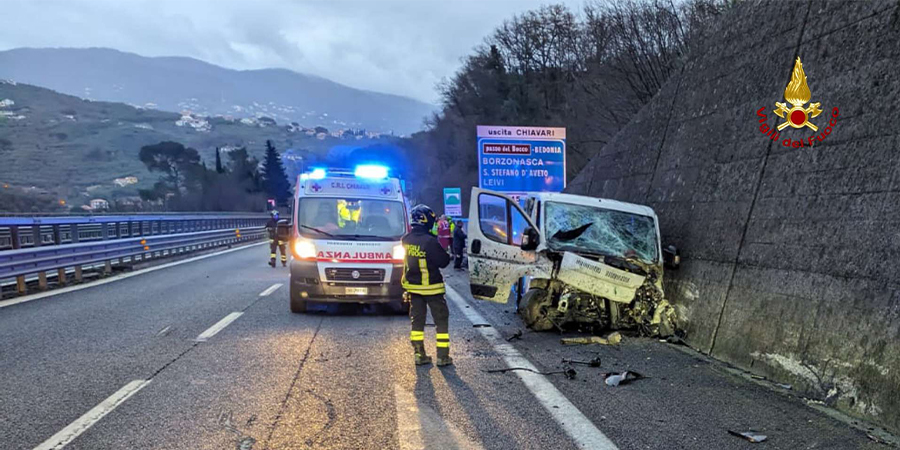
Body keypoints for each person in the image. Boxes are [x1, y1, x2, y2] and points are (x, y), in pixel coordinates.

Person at [402, 204, 452, 366]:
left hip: (414, 289)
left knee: (417, 322)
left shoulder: (406, 240)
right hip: (433, 289)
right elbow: (443, 262)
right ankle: (443, 357)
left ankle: (419, 354)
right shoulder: (430, 241)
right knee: (441, 321)